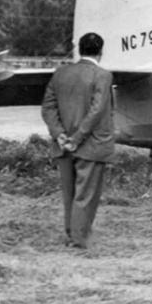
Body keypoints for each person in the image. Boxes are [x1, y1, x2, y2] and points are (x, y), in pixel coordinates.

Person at [41, 32, 116, 249]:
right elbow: (97, 111)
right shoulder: (103, 76)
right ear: (101, 51)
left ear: (79, 50)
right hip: (91, 145)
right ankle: (80, 239)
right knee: (86, 195)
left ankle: (71, 234)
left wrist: (60, 135)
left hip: (62, 145)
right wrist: (77, 138)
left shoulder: (60, 74)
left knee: (69, 193)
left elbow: (48, 107)